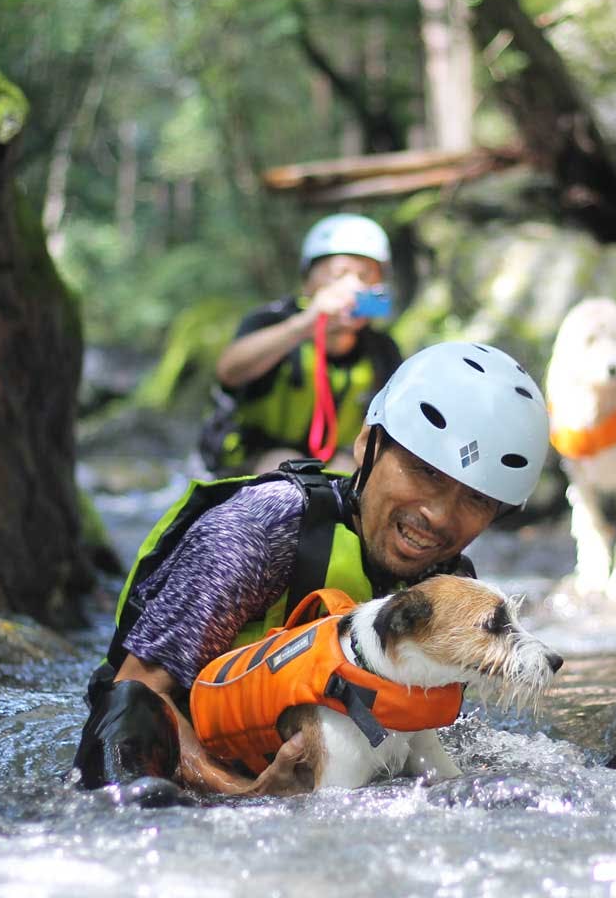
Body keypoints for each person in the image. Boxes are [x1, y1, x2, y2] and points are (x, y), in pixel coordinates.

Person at [74, 341, 551, 796]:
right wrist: (243, 794)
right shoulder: (264, 527)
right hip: (186, 762)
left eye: (476, 498)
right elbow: (138, 689)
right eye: (424, 471)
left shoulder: (447, 593)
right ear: (368, 445)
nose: (440, 515)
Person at [200, 213, 403, 476]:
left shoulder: (382, 350)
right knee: (283, 465)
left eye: (366, 276)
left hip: (337, 460)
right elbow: (229, 371)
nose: (353, 286)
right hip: (254, 460)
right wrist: (307, 323)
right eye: (338, 274)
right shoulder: (271, 321)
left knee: (350, 471)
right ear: (308, 281)